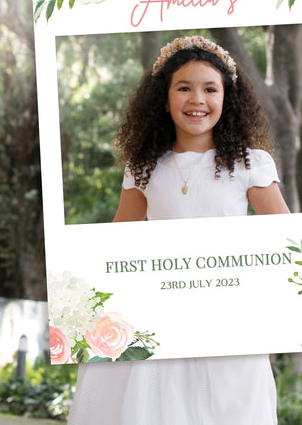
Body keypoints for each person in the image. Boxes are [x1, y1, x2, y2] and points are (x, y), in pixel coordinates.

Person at [68, 36, 290, 424]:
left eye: (210, 89)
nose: (197, 100)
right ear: (164, 97)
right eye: (183, 88)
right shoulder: (143, 167)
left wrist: (273, 321)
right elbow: (116, 245)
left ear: (227, 98)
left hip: (228, 321)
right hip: (159, 320)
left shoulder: (251, 164)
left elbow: (288, 244)